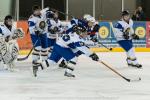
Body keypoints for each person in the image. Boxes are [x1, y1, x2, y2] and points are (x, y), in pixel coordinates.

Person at [28, 5, 48, 76]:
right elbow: (31, 30)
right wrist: (36, 32)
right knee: (38, 48)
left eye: (39, 10)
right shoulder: (31, 19)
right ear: (33, 11)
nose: (38, 11)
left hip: (44, 33)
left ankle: (44, 62)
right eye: (36, 11)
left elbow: (46, 9)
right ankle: (35, 63)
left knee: (45, 49)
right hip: (35, 35)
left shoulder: (42, 13)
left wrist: (49, 9)